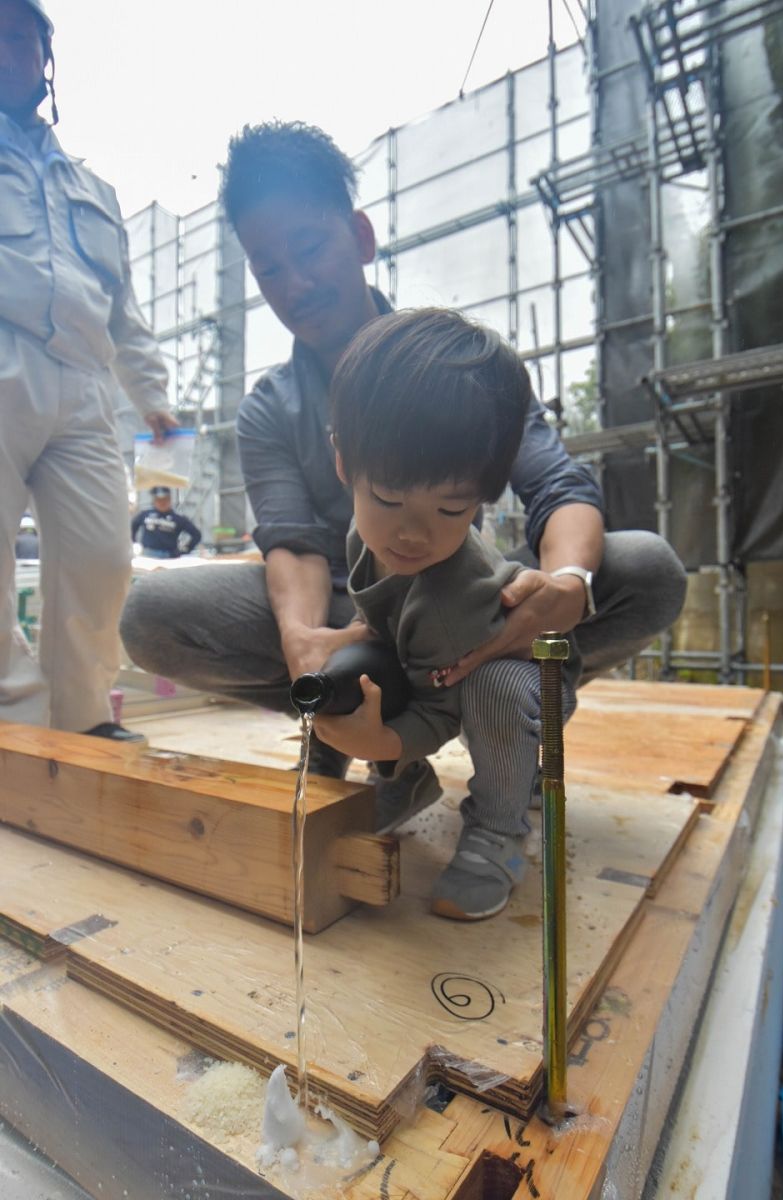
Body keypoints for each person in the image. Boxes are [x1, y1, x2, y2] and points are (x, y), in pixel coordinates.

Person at [120, 121, 686, 813]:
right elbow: (291, 541)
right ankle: (343, 716)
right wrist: (304, 641)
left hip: (464, 602)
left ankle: (512, 711)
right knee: (152, 614)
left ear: (359, 236)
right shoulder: (268, 408)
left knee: (645, 571)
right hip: (346, 613)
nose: (293, 283)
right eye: (268, 267)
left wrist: (565, 584)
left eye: (310, 249)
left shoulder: (455, 365)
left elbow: (557, 484)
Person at [315, 307, 566, 918]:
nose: (413, 533)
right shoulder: (363, 534)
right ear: (345, 462)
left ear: (484, 493)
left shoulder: (456, 596)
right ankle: (398, 779)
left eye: (452, 510)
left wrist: (391, 740)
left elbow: (443, 709)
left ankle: (501, 831)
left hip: (525, 678)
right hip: (432, 655)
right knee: (355, 659)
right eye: (390, 498)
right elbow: (382, 626)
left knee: (497, 690)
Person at [0, 0, 176, 741]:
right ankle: (11, 716)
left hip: (84, 386)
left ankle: (78, 721)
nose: (9, 49)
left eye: (21, 36)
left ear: (46, 59)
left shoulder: (92, 190)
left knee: (103, 558)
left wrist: (155, 398)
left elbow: (122, 309)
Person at [132, 487, 202, 559]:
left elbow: (196, 535)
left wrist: (186, 550)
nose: (162, 502)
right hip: (147, 554)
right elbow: (132, 527)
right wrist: (133, 544)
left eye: (165, 499)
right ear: (154, 500)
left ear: (170, 500)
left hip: (168, 555)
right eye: (158, 500)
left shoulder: (178, 518)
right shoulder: (145, 514)